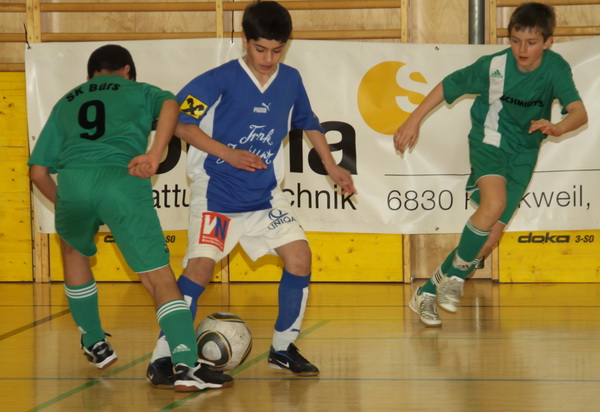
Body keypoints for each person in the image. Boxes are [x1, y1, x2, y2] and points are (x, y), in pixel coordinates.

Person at [146, 0, 357, 387]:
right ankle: (163, 356)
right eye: (261, 49)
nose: (268, 59)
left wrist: (332, 166)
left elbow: (309, 123)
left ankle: (282, 349)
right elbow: (177, 122)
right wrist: (227, 153)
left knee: (300, 257)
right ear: (245, 41)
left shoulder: (290, 80)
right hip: (217, 195)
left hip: (264, 197)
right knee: (199, 270)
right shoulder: (219, 79)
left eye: (277, 50)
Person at [28, 44, 233, 392]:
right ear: (126, 70)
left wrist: (64, 203)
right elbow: (172, 105)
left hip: (74, 182)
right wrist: (155, 152)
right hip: (122, 179)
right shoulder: (138, 89)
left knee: (73, 252)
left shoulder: (67, 100)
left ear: (91, 73)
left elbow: (37, 172)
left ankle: (94, 341)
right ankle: (185, 363)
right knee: (157, 277)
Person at [393, 2, 588, 327]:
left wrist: (558, 127)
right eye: (515, 41)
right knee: (493, 205)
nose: (522, 50)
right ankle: (453, 280)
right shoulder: (494, 66)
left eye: (531, 43)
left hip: (525, 153)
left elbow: (579, 113)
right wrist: (414, 120)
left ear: (548, 42)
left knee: (488, 241)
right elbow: (449, 84)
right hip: (489, 142)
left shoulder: (556, 69)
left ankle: (427, 292)